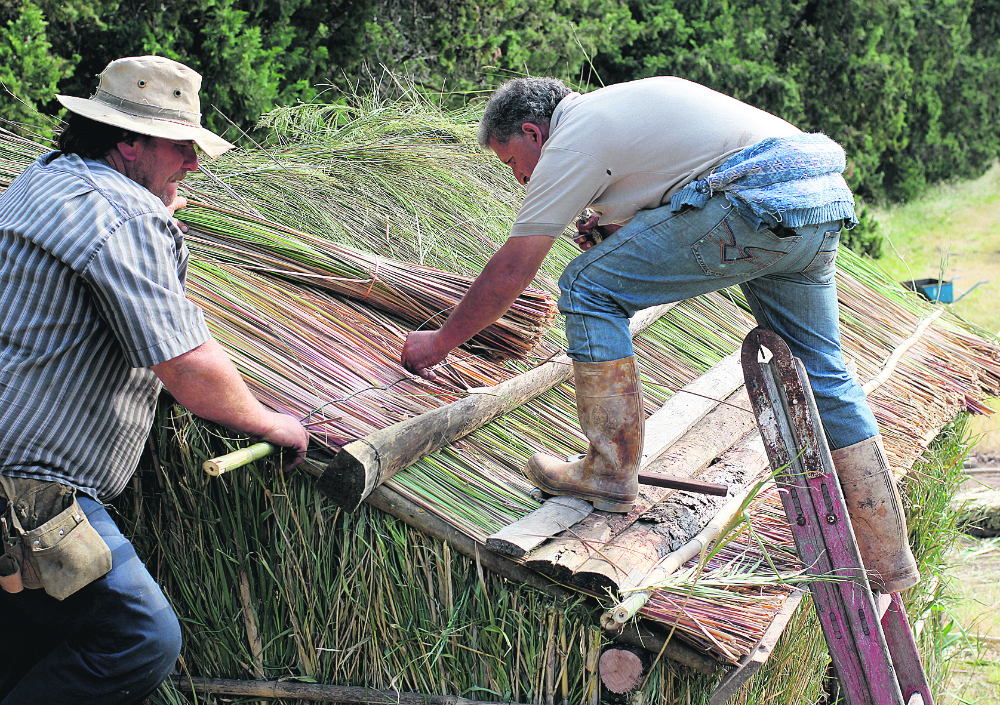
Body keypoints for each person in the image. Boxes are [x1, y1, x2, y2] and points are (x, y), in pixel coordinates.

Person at [401, 76, 918, 593]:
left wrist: (440, 341)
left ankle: (608, 470)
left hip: (754, 204)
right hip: (817, 203)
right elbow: (681, 197)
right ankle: (886, 556)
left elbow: (514, 270)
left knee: (587, 288)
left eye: (513, 162)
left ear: (534, 134)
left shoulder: (572, 137)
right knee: (819, 368)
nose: (519, 178)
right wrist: (613, 236)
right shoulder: (621, 109)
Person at [0, 56, 309, 703]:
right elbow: (187, 365)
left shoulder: (43, 178)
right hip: (30, 493)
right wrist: (271, 421)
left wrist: (158, 215)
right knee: (139, 636)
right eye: (181, 146)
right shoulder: (125, 214)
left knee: (24, 648)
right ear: (128, 140)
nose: (193, 164)